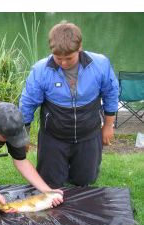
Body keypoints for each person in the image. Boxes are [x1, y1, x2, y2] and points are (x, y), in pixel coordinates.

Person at [19, 21, 119, 188]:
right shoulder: (40, 70)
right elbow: (27, 104)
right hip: (53, 135)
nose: (64, 63)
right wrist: (23, 136)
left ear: (79, 47)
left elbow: (111, 93)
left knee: (84, 181)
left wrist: (108, 126)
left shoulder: (100, 65)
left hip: (88, 132)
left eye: (69, 58)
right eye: (58, 58)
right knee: (50, 182)